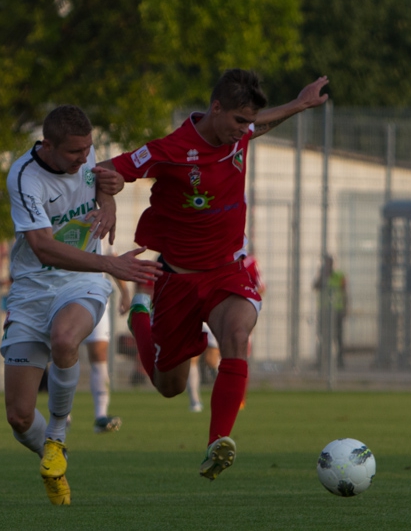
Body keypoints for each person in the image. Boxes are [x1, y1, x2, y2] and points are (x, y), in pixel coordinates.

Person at [100, 70, 329, 480]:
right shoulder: (169, 150)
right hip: (178, 280)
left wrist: (300, 103)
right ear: (216, 108)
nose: (246, 130)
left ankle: (217, 443)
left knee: (237, 336)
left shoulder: (236, 135)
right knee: (170, 385)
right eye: (240, 121)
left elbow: (258, 122)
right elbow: (105, 169)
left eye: (249, 123)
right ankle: (140, 316)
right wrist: (109, 201)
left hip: (227, 271)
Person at [2, 105, 162, 505]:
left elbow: (104, 182)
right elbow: (42, 247)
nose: (84, 158)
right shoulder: (24, 178)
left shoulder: (85, 153)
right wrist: (112, 263)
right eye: (75, 153)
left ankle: (57, 435)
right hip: (32, 288)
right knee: (19, 417)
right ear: (48, 145)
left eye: (88, 149)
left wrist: (110, 199)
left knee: (64, 338)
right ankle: (52, 455)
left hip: (82, 281)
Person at [82, 267, 131, 432]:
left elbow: (112, 260)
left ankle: (101, 416)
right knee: (66, 352)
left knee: (99, 353)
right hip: (65, 292)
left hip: (97, 296)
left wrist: (124, 291)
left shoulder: (104, 240)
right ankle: (62, 416)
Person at [313, 255, 348, 368]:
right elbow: (315, 286)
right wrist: (322, 275)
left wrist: (345, 308)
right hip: (324, 310)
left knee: (338, 337)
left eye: (329, 263)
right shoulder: (322, 276)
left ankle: (339, 361)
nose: (328, 265)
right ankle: (321, 361)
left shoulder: (339, 276)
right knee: (322, 336)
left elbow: (345, 293)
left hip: (336, 310)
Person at [187, 323, 220, 413]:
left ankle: (225, 394)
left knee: (211, 360)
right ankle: (195, 401)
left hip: (209, 320)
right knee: (191, 358)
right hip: (193, 319)